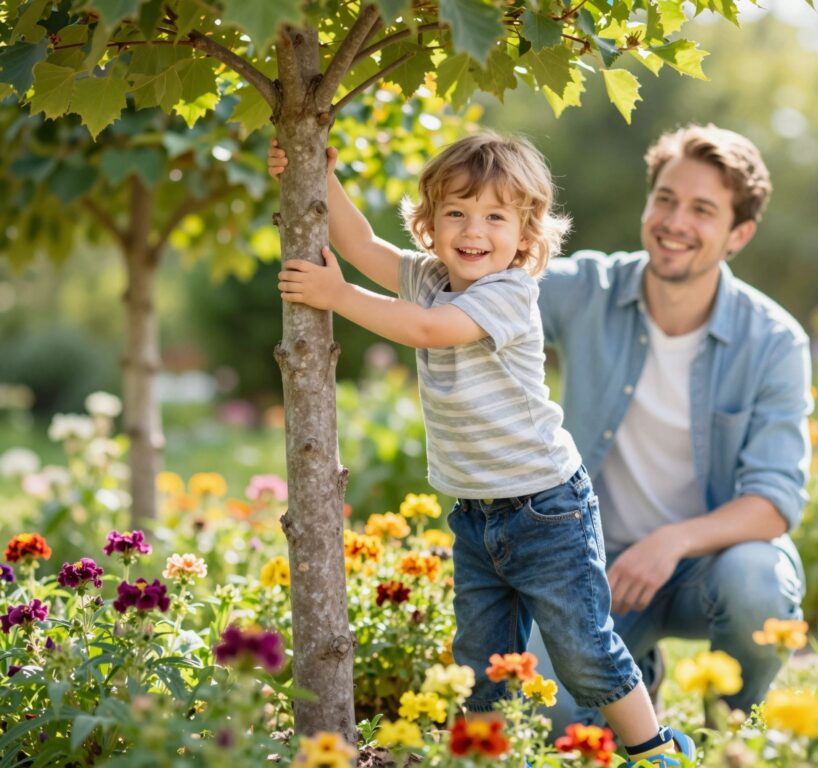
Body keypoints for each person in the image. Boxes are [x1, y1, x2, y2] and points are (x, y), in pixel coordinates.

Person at [269, 133, 696, 765]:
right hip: (476, 515)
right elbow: (360, 245)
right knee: (478, 661)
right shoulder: (428, 277)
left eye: (496, 216)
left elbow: (428, 330)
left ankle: (656, 749)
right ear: (430, 222)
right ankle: (488, 756)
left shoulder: (509, 292)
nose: (473, 231)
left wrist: (338, 297)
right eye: (456, 212)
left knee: (583, 649)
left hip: (547, 510)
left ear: (525, 234)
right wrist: (317, 174)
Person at [527, 123, 811, 730]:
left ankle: (733, 727)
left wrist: (671, 541)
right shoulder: (588, 290)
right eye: (665, 199)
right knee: (547, 717)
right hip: (596, 574)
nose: (675, 221)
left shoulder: (774, 341)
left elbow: (774, 503)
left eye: (702, 210)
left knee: (758, 580)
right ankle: (637, 672)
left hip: (707, 569)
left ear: (738, 234)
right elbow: (474, 283)